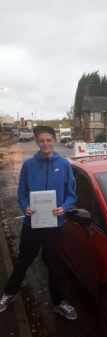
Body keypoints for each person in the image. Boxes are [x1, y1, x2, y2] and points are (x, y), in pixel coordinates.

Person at [0, 125, 78, 320]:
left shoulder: (65, 165)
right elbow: (21, 193)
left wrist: (65, 208)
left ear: (55, 140)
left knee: (53, 264)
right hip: (31, 224)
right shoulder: (28, 165)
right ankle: (9, 293)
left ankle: (59, 303)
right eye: (41, 140)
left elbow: (71, 195)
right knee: (23, 261)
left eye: (48, 140)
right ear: (37, 141)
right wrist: (25, 206)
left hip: (54, 225)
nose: (45, 144)